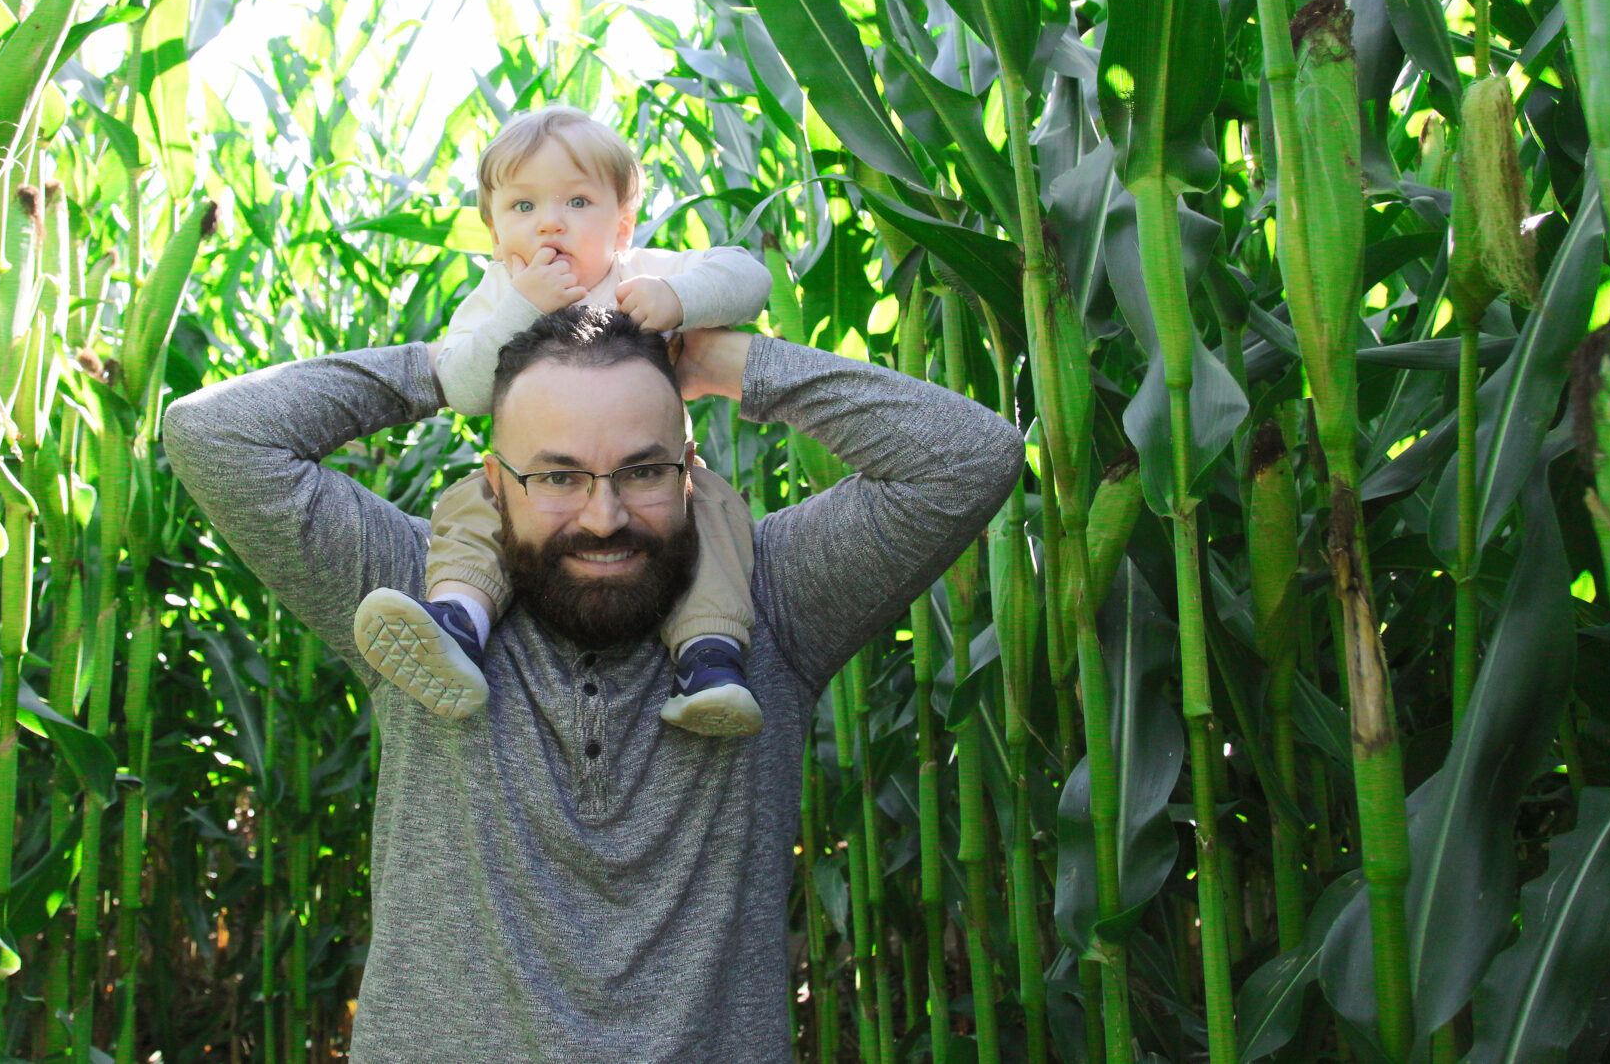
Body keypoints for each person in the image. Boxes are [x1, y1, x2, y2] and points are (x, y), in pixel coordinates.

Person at [162, 305, 1023, 1061]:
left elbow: (970, 456)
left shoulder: (776, 600)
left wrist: (726, 364)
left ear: (691, 473)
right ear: (494, 485)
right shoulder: (415, 597)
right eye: (558, 475)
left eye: (643, 472)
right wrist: (440, 368)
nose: (603, 515)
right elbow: (213, 435)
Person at [354, 106, 775, 735]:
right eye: (523, 207)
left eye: (578, 201)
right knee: (472, 507)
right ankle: (459, 623)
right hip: (532, 489)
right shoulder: (499, 295)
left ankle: (710, 658)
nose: (551, 221)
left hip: (660, 485)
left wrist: (681, 300)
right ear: (495, 237)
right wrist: (519, 309)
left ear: (622, 227)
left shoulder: (640, 275)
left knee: (714, 515)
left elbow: (752, 275)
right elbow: (465, 387)